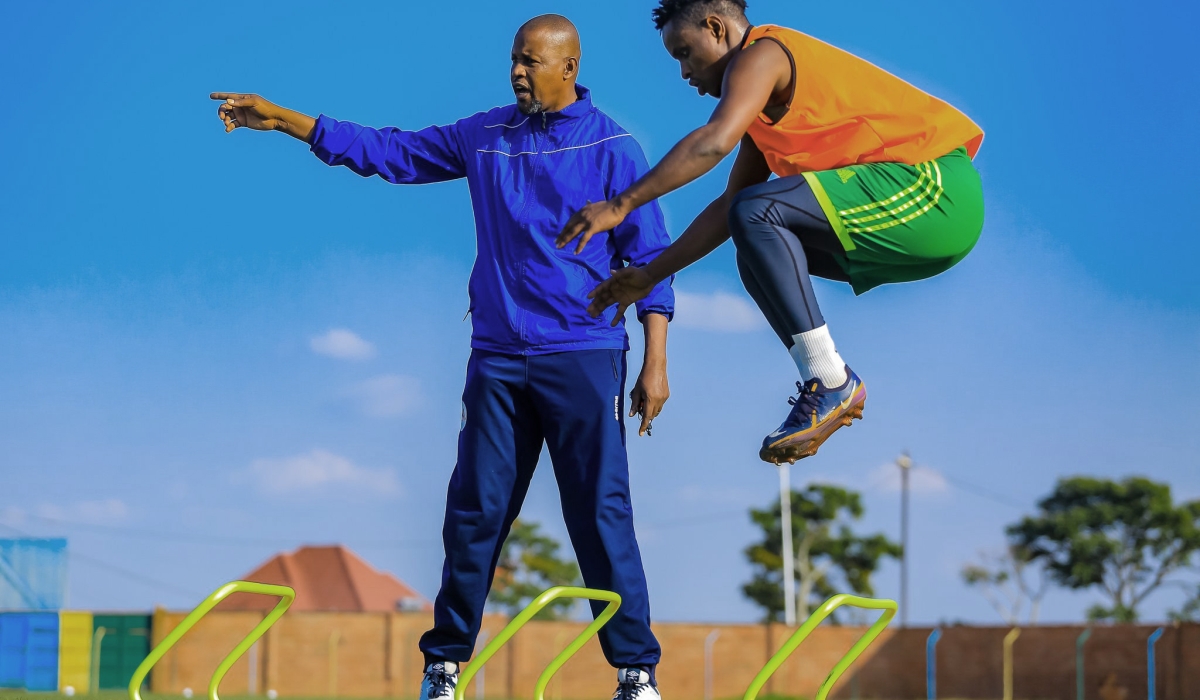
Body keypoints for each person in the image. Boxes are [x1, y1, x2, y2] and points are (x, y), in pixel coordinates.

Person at [211, 14, 671, 700]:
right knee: (474, 512)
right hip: (497, 357)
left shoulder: (613, 149)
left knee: (599, 514)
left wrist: (654, 364)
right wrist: (283, 120)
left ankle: (635, 672)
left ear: (568, 68)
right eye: (513, 59)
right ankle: (444, 667)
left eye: (530, 62)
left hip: (583, 352)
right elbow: (389, 153)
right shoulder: (484, 137)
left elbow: (653, 258)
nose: (516, 71)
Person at [557, 0, 985, 465]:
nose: (684, 72)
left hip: (934, 192)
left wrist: (621, 204)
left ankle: (832, 381)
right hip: (919, 222)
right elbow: (728, 210)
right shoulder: (763, 119)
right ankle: (826, 380)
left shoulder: (765, 53)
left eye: (684, 51)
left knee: (756, 213)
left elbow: (714, 141)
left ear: (716, 28)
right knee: (751, 239)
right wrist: (649, 275)